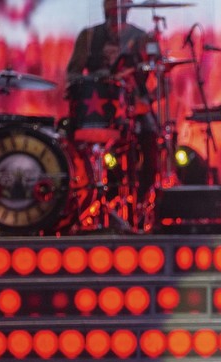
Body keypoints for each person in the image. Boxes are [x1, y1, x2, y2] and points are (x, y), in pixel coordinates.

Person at [66, 0, 159, 229]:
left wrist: (146, 100)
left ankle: (143, 204)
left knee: (152, 140)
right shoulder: (89, 36)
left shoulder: (142, 37)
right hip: (100, 110)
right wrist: (100, 78)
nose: (118, 8)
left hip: (135, 107)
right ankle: (91, 202)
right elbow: (72, 75)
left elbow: (160, 77)